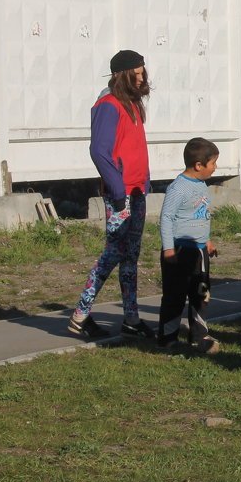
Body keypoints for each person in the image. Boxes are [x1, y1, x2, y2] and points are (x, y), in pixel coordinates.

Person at [69, 50, 155, 340]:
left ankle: (131, 318)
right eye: (138, 73)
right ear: (122, 74)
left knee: (131, 256)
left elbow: (134, 148)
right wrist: (117, 188)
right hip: (121, 194)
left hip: (137, 189)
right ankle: (81, 315)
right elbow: (99, 151)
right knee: (114, 253)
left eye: (143, 72)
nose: (142, 77)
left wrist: (145, 181)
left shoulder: (131, 104)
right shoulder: (108, 105)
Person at [157, 137, 220, 353]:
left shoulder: (201, 184)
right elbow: (166, 218)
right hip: (179, 250)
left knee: (201, 293)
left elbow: (202, 216)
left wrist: (208, 241)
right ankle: (168, 339)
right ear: (199, 165)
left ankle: (199, 335)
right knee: (175, 296)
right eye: (213, 163)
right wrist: (168, 248)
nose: (215, 167)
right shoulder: (178, 188)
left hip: (199, 251)